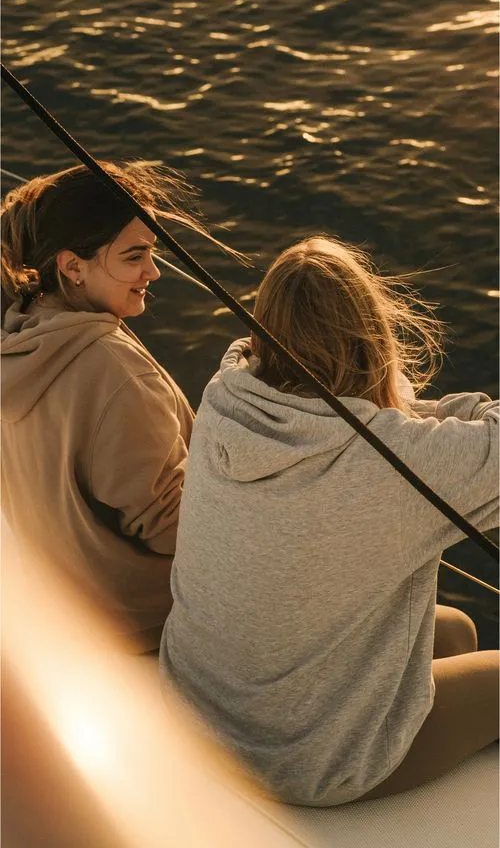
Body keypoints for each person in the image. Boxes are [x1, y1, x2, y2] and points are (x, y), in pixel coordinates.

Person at [160, 234, 499, 804]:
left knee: (455, 631)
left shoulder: (225, 398)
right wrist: (444, 415)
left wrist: (411, 420)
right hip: (303, 763)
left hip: (190, 713)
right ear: (372, 336)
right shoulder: (397, 460)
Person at [1, 161, 216, 651]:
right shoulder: (115, 372)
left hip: (70, 623)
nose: (152, 272)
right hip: (151, 629)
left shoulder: (17, 341)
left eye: (152, 252)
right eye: (134, 256)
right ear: (72, 266)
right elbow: (172, 528)